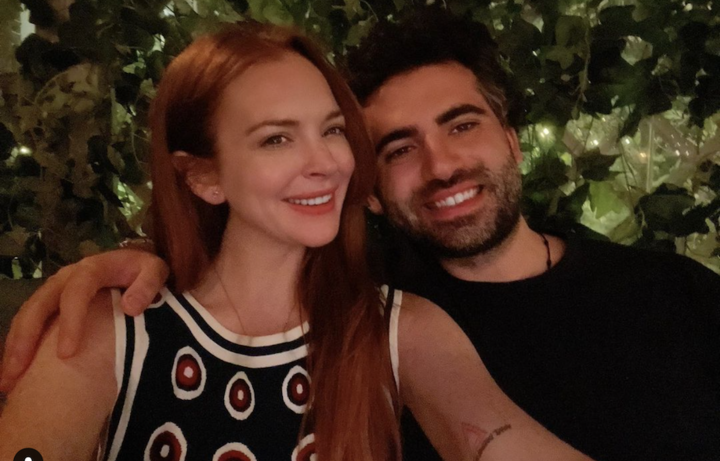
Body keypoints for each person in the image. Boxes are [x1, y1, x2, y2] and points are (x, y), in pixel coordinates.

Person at [4, 6, 719, 461]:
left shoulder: (399, 327)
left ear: (512, 138)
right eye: (277, 137)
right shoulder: (114, 329)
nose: (323, 161)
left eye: (331, 131)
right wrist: (135, 261)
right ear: (204, 176)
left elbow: (491, 436)